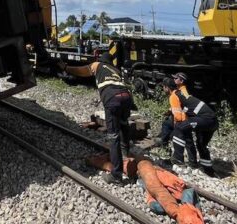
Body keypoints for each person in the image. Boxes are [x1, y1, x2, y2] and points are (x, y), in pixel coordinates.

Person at [60, 53, 133, 185]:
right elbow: (127, 85)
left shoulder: (98, 65)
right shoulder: (116, 70)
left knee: (113, 136)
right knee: (123, 124)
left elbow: (81, 71)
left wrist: (66, 68)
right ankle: (125, 154)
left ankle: (116, 176)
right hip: (126, 97)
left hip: (112, 97)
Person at [162, 77, 217, 176]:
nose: (163, 89)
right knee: (201, 144)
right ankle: (208, 171)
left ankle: (178, 160)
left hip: (204, 119)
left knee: (179, 127)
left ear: (167, 88)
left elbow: (178, 117)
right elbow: (184, 107)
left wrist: (177, 128)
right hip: (212, 120)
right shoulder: (180, 92)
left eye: (163, 87)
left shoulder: (173, 96)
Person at [151, 72, 189, 149]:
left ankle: (164, 143)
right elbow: (178, 106)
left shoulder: (177, 94)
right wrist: (169, 111)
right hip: (183, 116)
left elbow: (179, 115)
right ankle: (164, 137)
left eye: (175, 78)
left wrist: (176, 129)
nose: (174, 79)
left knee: (167, 123)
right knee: (168, 121)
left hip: (183, 118)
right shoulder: (179, 90)